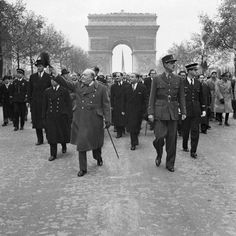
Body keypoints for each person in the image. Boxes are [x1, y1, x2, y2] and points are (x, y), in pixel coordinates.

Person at [52, 68, 111, 177]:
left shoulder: (102, 88)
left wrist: (108, 120)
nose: (82, 77)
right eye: (82, 75)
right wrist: (56, 75)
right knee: (82, 143)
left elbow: (106, 105)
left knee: (96, 142)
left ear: (92, 77)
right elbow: (65, 83)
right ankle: (82, 168)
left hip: (94, 119)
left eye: (84, 75)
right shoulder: (77, 85)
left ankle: (98, 156)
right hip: (80, 119)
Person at [148, 54, 186, 172]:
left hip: (173, 113)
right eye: (171, 63)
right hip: (160, 113)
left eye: (174, 63)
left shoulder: (179, 79)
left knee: (172, 140)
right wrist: (150, 112)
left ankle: (170, 163)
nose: (173, 65)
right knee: (159, 138)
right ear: (165, 65)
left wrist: (184, 111)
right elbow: (152, 97)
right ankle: (159, 153)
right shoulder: (157, 79)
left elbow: (181, 97)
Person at [42, 78, 72, 161]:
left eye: (54, 80)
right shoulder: (47, 91)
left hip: (61, 116)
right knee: (52, 135)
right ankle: (53, 154)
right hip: (51, 116)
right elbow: (44, 105)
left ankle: (63, 145)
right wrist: (43, 117)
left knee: (61, 133)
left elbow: (68, 104)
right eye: (51, 80)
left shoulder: (64, 91)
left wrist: (69, 116)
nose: (52, 82)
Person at [182, 64, 206, 159]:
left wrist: (203, 109)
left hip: (196, 110)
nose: (196, 71)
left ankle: (193, 151)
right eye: (195, 70)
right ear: (189, 71)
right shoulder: (182, 82)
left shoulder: (198, 83)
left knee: (195, 131)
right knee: (186, 129)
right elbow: (179, 97)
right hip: (186, 109)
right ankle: (184, 145)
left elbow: (202, 97)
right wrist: (180, 108)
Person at [28, 58, 51, 145]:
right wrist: (29, 101)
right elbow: (29, 90)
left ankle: (49, 138)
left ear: (44, 67)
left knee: (47, 121)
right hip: (35, 103)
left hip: (46, 103)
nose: (38, 68)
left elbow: (51, 89)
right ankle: (40, 139)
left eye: (40, 66)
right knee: (37, 121)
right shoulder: (32, 77)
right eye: (37, 66)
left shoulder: (48, 77)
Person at [124, 73, 148, 150]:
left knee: (137, 126)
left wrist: (145, 110)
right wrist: (123, 110)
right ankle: (133, 143)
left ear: (137, 78)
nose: (130, 78)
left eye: (132, 77)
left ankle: (135, 138)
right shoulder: (127, 87)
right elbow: (124, 100)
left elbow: (145, 99)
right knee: (132, 127)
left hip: (139, 111)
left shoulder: (142, 87)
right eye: (130, 77)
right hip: (129, 111)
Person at [110, 72, 127, 138]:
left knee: (123, 118)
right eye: (116, 76)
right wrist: (112, 105)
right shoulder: (113, 86)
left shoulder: (127, 85)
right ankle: (119, 133)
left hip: (125, 104)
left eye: (118, 76)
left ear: (122, 77)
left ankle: (123, 128)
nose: (117, 77)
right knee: (117, 119)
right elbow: (112, 97)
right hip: (117, 104)